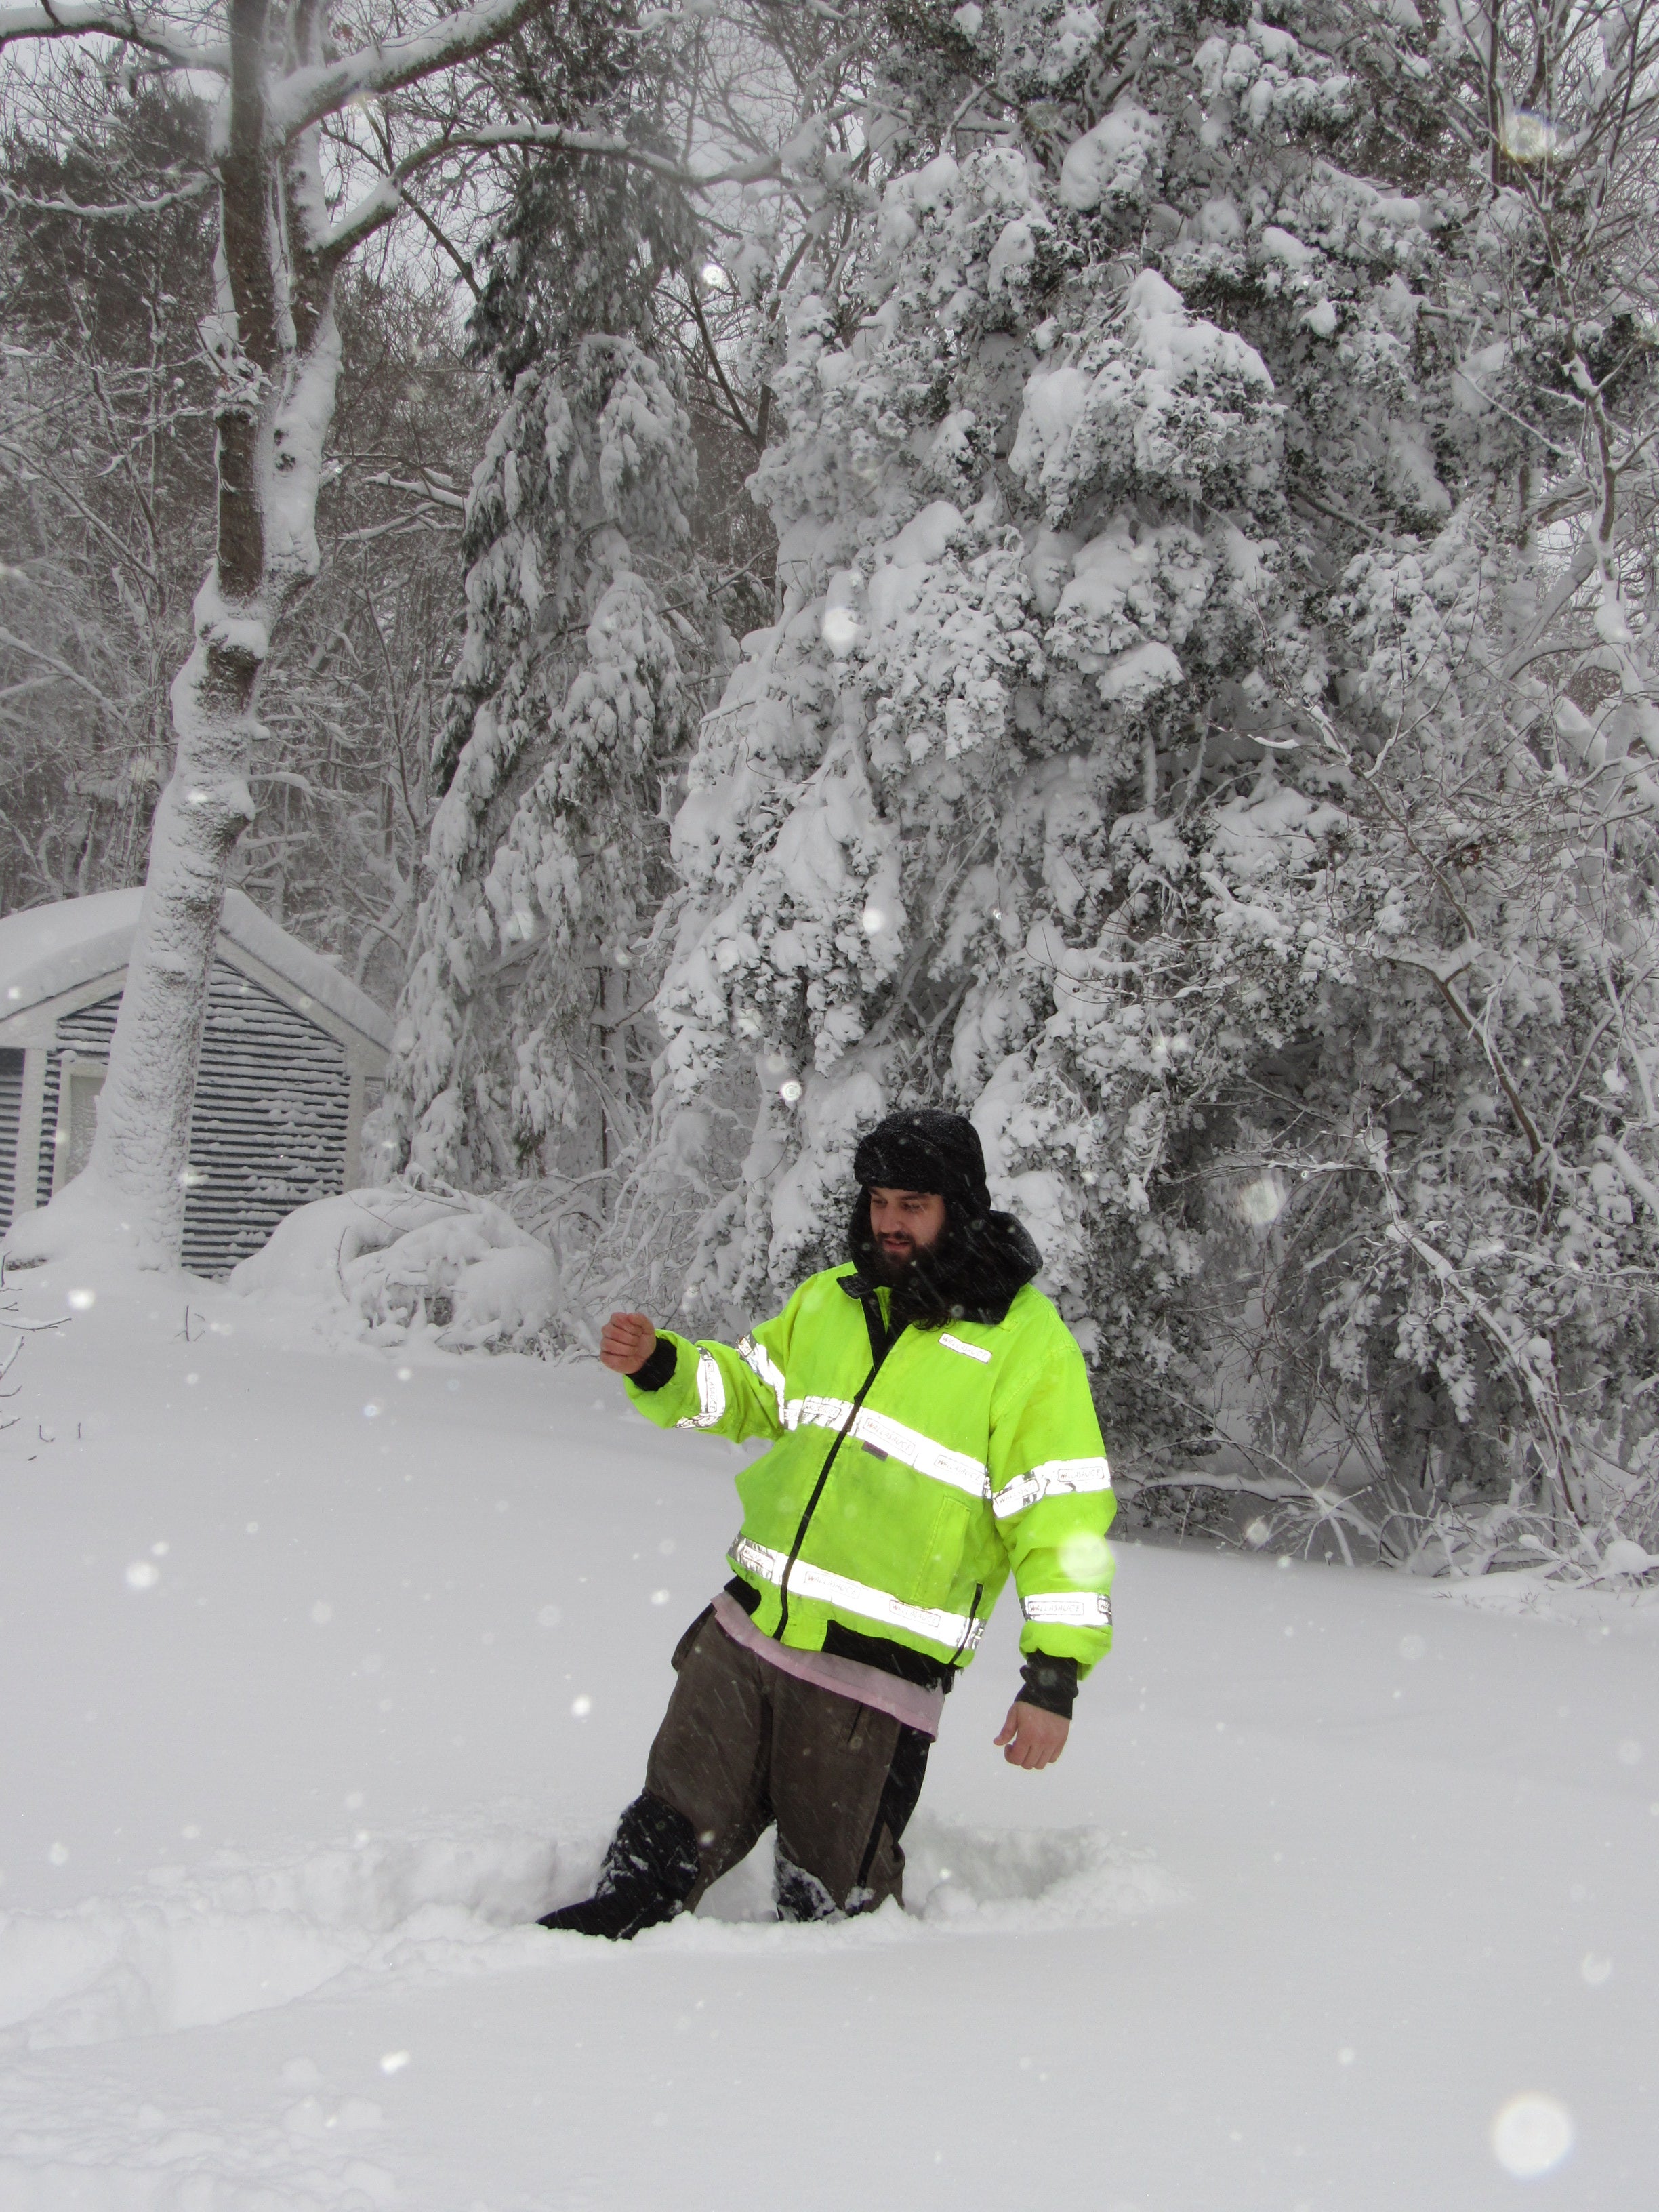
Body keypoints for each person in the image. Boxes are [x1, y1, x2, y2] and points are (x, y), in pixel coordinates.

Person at [540, 1107, 1115, 1938]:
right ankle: (578, 1979)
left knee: (832, 1918)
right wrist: (665, 1364)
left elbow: (1063, 1515)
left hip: (869, 1683)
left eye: (912, 1205)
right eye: (879, 1201)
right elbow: (750, 1392)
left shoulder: (1027, 1348)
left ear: (960, 1207)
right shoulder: (831, 1302)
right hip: (748, 1638)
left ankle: (826, 2055)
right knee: (659, 1845)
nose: (889, 1222)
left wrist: (1053, 1679)